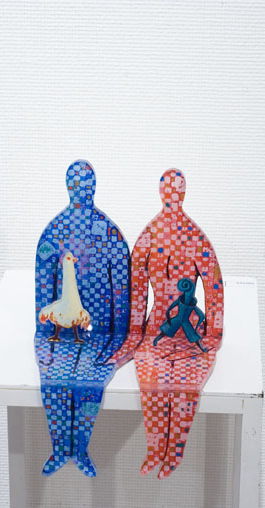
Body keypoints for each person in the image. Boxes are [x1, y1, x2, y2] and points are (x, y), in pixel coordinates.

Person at [109, 169, 223, 479]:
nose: (172, 195)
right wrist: (134, 334)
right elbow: (136, 292)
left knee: (185, 388)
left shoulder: (192, 238)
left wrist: (213, 332)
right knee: (152, 386)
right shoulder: (150, 238)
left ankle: (174, 453)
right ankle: (156, 450)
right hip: (157, 329)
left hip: (189, 332)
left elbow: (214, 287)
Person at [35, 160, 130, 477]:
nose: (81, 189)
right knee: (54, 381)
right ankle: (61, 449)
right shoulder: (54, 233)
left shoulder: (110, 235)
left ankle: (78, 449)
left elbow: (121, 293)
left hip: (100, 333)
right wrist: (45, 336)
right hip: (58, 332)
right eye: (77, 184)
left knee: (90, 382)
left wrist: (118, 338)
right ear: (69, 186)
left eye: (85, 184)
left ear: (93, 187)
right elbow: (43, 289)